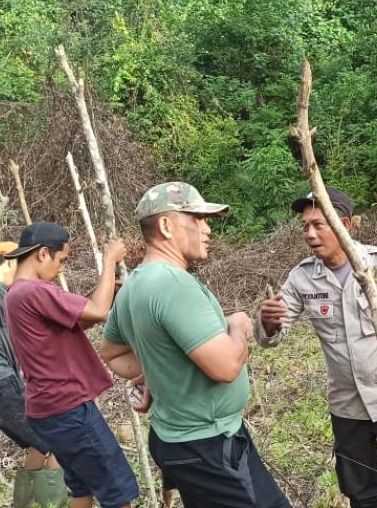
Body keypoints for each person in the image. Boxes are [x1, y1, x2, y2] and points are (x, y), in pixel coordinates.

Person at [256, 186, 377, 508]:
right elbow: (273, 337)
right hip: (347, 405)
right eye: (305, 226)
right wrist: (268, 323)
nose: (309, 233)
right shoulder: (301, 278)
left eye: (319, 224)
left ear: (345, 225)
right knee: (361, 490)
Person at [99, 182, 292, 508]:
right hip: (209, 448)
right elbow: (228, 367)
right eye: (197, 219)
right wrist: (239, 326)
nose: (207, 229)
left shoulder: (135, 283)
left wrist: (163, 371)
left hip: (182, 442)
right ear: (166, 226)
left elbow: (112, 353)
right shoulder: (174, 286)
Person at [3, 222, 139, 508]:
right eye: (61, 260)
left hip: (48, 410)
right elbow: (99, 312)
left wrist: (107, 290)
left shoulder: (17, 293)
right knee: (117, 494)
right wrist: (110, 260)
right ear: (42, 254)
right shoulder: (35, 291)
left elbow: (81, 320)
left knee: (82, 487)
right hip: (68, 409)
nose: (61, 269)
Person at [0, 241, 68, 508]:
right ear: (9, 262)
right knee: (58, 441)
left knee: (38, 444)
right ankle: (52, 505)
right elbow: (14, 342)